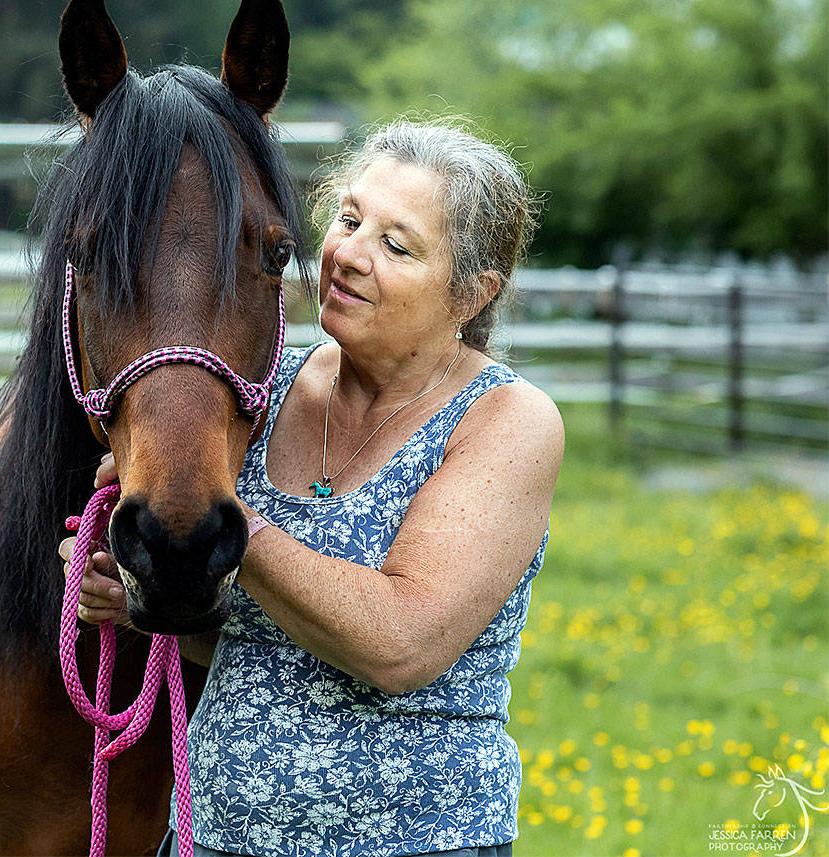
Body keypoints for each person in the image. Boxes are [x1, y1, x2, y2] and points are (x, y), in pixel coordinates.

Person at [60, 117, 564, 857]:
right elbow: (241, 644)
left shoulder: (505, 420)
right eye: (349, 219)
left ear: (471, 293)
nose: (348, 255)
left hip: (416, 841)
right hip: (216, 836)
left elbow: (402, 644)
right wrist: (150, 596)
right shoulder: (262, 388)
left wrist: (228, 518)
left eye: (395, 245)